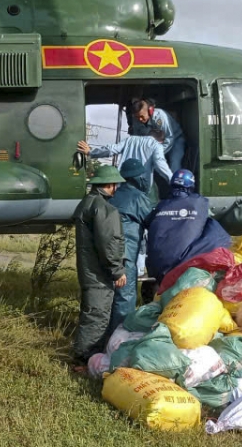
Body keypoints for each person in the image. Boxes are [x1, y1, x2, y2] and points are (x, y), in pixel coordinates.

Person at [71, 164, 127, 367]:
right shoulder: (104, 209)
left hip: (88, 269)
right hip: (98, 273)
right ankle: (84, 359)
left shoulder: (87, 202)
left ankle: (84, 356)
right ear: (111, 185)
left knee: (91, 312)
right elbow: (109, 242)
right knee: (97, 315)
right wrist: (117, 270)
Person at [143, 169, 231, 280]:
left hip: (158, 267)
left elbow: (149, 223)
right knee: (215, 228)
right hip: (183, 263)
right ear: (191, 186)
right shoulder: (199, 202)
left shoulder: (161, 205)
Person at [107, 158, 154, 331]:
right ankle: (120, 337)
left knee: (108, 297)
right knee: (125, 297)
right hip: (125, 255)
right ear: (137, 177)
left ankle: (104, 337)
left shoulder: (112, 197)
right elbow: (153, 223)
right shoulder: (138, 198)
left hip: (107, 253)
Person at [77, 133, 172, 190]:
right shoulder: (156, 145)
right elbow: (160, 164)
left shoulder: (130, 140)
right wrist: (173, 180)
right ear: (161, 141)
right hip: (141, 187)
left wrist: (91, 152)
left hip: (122, 183)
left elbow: (111, 149)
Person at [128, 99, 186, 174]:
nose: (140, 119)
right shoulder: (136, 119)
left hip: (175, 140)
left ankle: (176, 181)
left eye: (142, 116)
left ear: (150, 111)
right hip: (155, 145)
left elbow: (169, 138)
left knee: (174, 163)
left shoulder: (159, 117)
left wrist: (156, 154)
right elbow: (137, 138)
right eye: (137, 117)